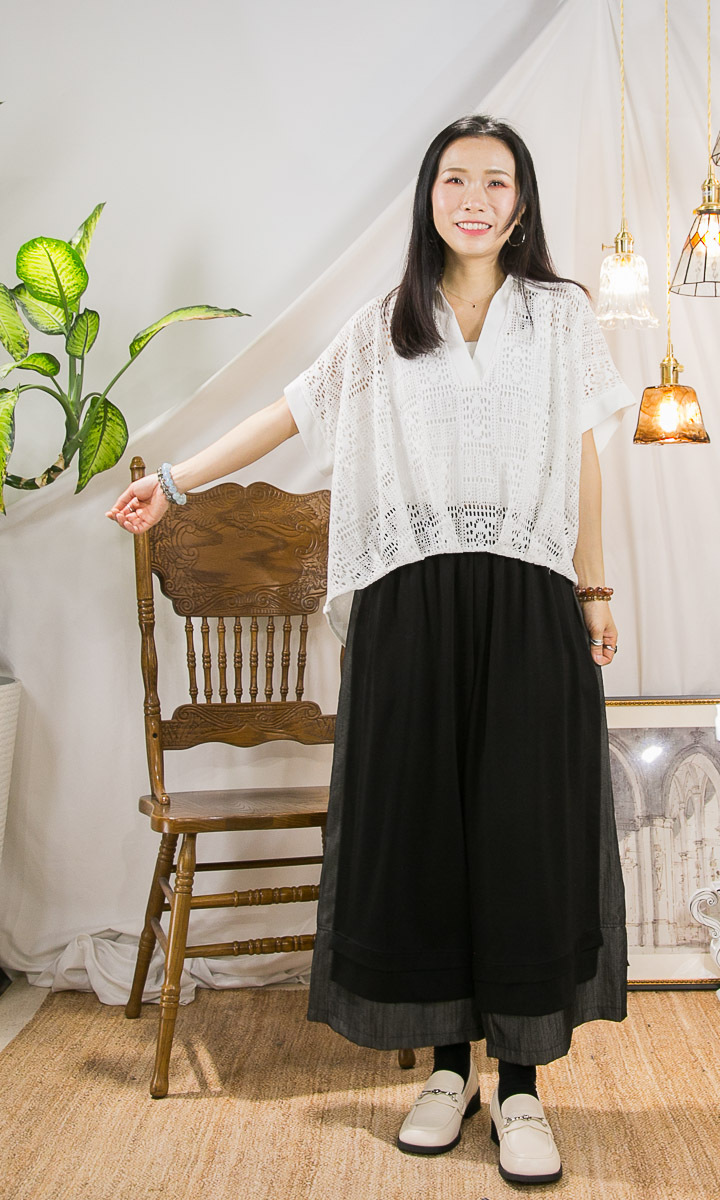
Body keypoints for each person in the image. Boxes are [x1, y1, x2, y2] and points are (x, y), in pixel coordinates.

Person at [108, 113, 635, 1186]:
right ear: (429, 198)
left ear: (522, 204)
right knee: (421, 836)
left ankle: (522, 1085)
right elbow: (287, 413)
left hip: (528, 600)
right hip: (408, 603)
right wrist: (173, 482)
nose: (475, 198)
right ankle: (446, 1073)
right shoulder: (388, 322)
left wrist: (593, 585)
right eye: (455, 179)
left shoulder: (561, 316)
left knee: (524, 837)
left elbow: (583, 455)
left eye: (496, 181)